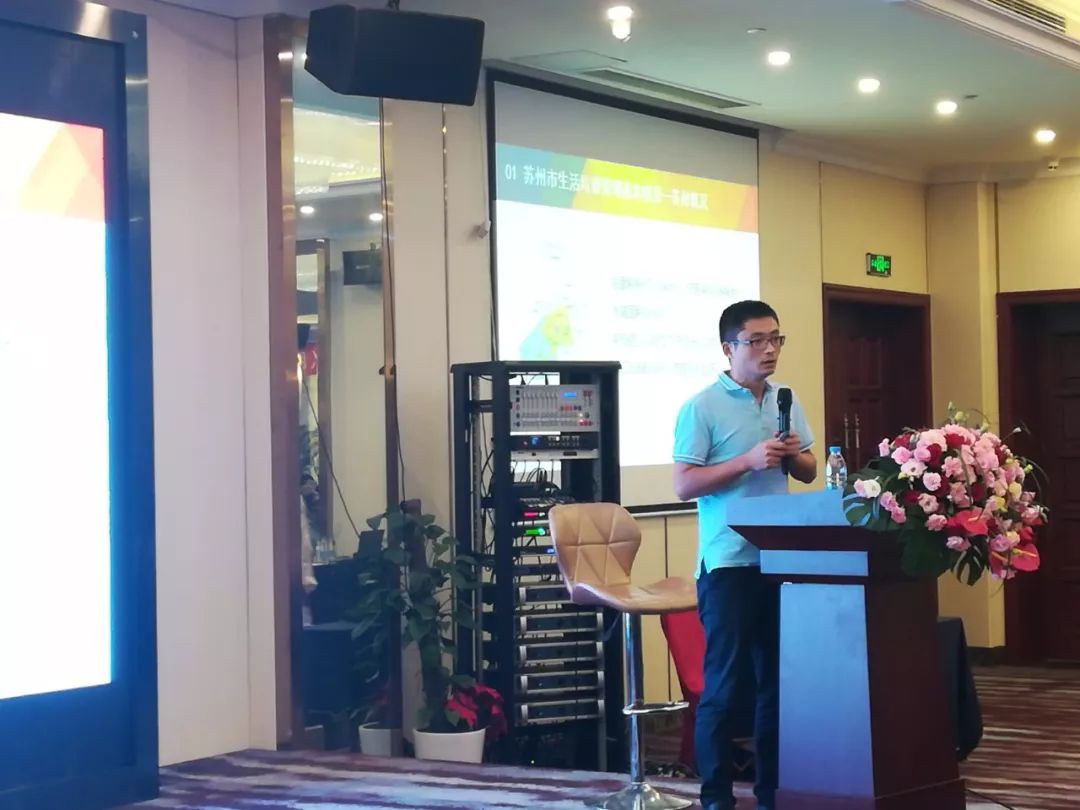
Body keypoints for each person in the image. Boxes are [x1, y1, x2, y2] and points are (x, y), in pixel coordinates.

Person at [672, 300, 816, 810]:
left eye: (776, 338)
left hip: (779, 561)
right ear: (728, 348)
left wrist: (794, 455)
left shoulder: (784, 399)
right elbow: (684, 484)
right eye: (756, 340)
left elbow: (808, 471)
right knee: (725, 687)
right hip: (728, 564)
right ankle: (716, 797)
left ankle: (772, 792)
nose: (769, 349)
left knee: (776, 686)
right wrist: (747, 461)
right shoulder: (702, 406)